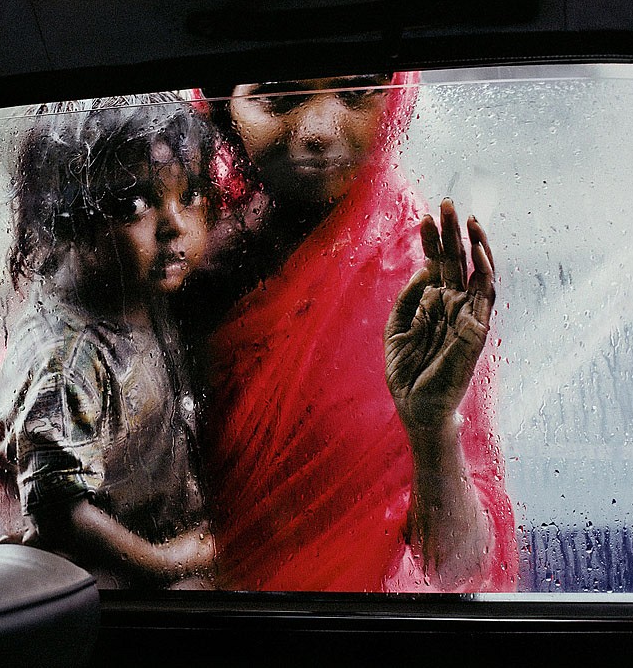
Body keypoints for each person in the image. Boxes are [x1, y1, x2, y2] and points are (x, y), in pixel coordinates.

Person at [184, 73, 518, 592]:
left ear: (394, 99)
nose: (319, 128)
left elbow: (456, 573)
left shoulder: (420, 277)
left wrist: (432, 431)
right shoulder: (171, 246)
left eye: (357, 93)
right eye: (279, 98)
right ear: (221, 107)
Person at [0, 95, 218, 589]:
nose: (175, 226)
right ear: (66, 220)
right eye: (133, 204)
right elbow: (57, 510)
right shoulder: (69, 357)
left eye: (190, 194)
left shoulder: (136, 284)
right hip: (109, 590)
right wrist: (167, 562)